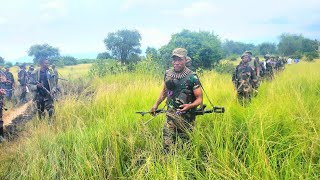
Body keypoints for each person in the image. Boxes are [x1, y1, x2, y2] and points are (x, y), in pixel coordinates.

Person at [150, 48, 203, 153]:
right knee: (167, 145)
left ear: (185, 60)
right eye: (174, 59)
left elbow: (199, 99)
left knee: (186, 146)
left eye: (180, 59)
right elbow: (165, 91)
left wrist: (189, 106)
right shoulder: (168, 74)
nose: (176, 62)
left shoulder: (192, 77)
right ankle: (168, 165)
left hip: (187, 118)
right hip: (170, 116)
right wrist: (155, 105)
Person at [29, 59, 57, 124]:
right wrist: (37, 86)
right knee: (40, 111)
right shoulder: (35, 73)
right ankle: (41, 124)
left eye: (48, 63)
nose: (47, 64)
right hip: (39, 95)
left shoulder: (50, 72)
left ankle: (50, 123)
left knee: (51, 110)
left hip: (48, 94)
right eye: (46, 63)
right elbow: (30, 85)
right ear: (41, 64)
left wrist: (53, 90)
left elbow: (54, 84)